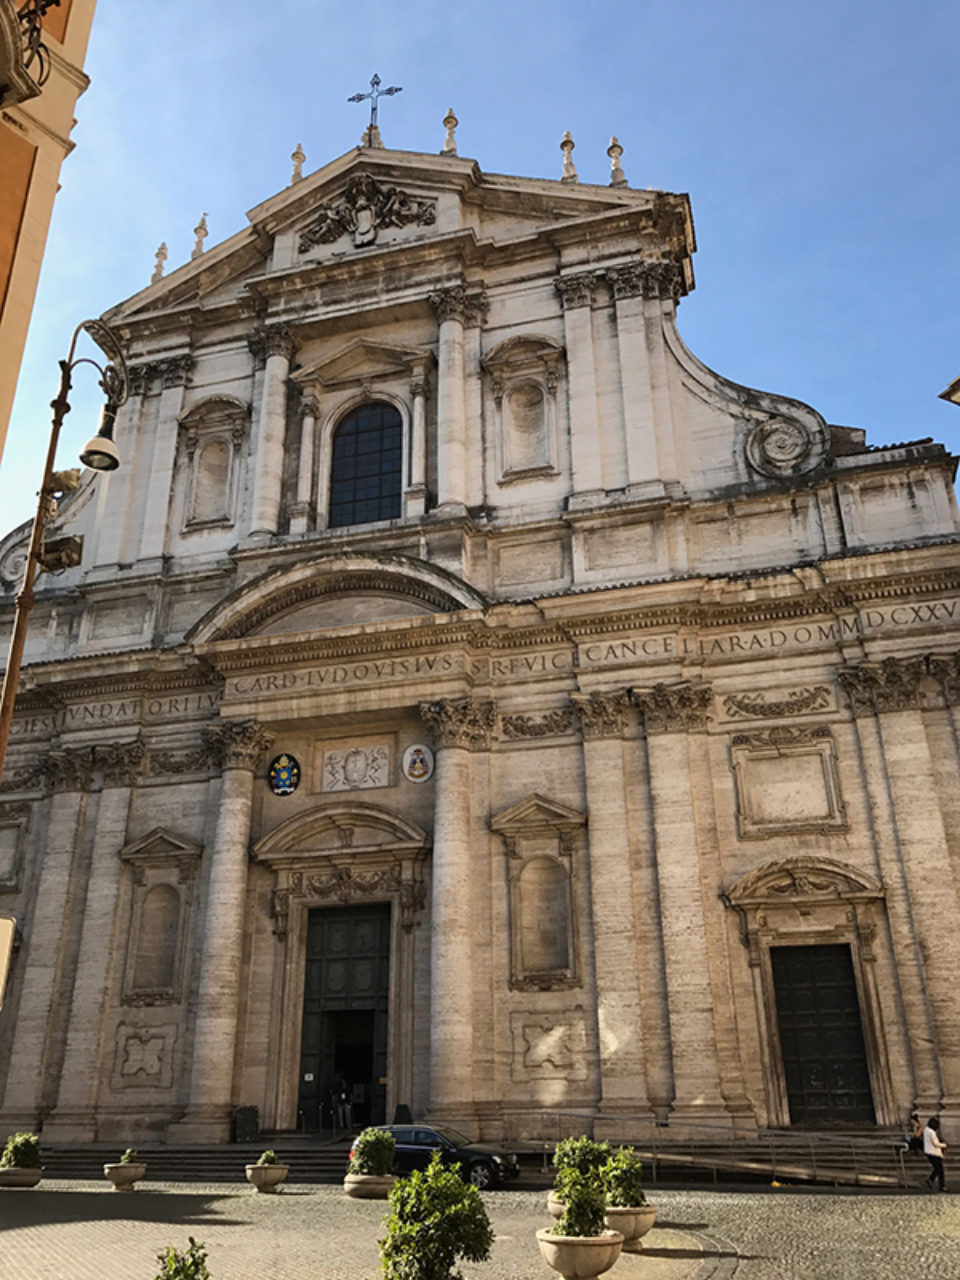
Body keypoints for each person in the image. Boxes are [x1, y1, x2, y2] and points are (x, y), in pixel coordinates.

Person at [923, 1116, 947, 1191]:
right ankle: (941, 1186)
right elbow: (935, 1143)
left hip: (928, 1152)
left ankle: (931, 1180)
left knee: (937, 1169)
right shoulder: (932, 1132)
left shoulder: (926, 1130)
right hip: (934, 1153)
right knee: (940, 1170)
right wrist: (944, 1145)